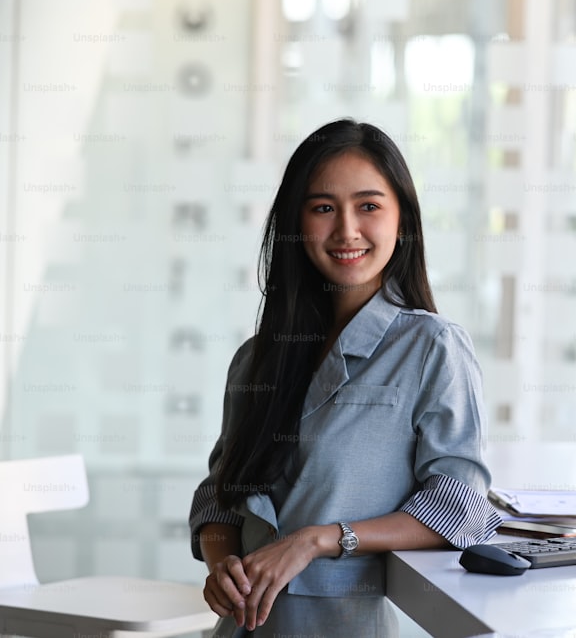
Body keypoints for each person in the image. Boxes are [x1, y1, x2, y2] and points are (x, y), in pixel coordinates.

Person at [188, 119, 502, 637]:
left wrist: (318, 539)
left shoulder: (432, 348)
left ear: (402, 220)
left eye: (369, 206)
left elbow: (459, 503)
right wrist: (221, 562)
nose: (347, 231)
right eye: (323, 208)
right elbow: (219, 492)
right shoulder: (255, 360)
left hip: (350, 624)